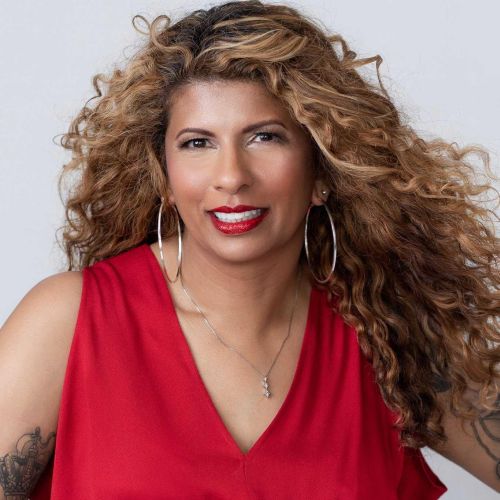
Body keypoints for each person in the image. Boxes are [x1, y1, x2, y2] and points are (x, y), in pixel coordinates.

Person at [1, 0, 499, 498]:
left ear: (322, 170)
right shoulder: (68, 321)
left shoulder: (387, 336)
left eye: (265, 137)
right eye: (198, 143)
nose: (232, 176)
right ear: (165, 178)